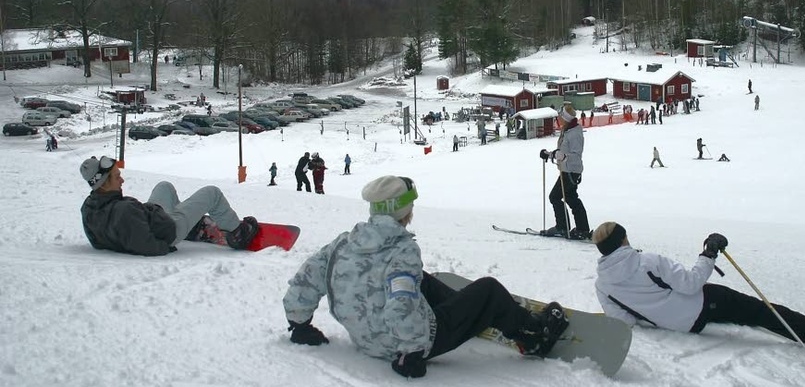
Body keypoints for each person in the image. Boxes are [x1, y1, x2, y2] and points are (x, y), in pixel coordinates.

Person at [282, 175, 569, 378]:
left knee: (421, 279)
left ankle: (471, 315)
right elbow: (401, 305)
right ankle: (533, 336)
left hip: (364, 337)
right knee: (489, 290)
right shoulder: (402, 251)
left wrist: (300, 324)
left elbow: (307, 278)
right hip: (405, 344)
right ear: (403, 210)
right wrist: (410, 354)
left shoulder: (343, 243)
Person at [590, 222, 805, 355]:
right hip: (703, 304)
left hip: (680, 326)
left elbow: (624, 320)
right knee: (763, 311)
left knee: (753, 313)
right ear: (623, 239)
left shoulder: (602, 285)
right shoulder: (646, 260)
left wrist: (655, 310)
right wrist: (708, 254)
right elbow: (692, 283)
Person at [79, 155, 258, 256]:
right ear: (103, 183)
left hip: (155, 217)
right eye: (117, 177)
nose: (122, 180)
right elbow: (144, 245)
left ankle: (192, 226)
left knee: (164, 186)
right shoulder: (123, 211)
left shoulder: (88, 208)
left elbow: (97, 242)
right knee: (212, 193)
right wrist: (166, 246)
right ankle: (237, 233)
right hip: (170, 228)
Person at [539, 104, 591, 239]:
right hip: (567, 170)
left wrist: (563, 156)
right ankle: (582, 228)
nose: (559, 120)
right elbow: (562, 152)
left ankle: (562, 227)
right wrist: (550, 154)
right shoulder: (568, 130)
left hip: (571, 171)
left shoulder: (574, 133)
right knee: (571, 197)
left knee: (555, 197)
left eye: (560, 117)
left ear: (566, 119)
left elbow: (576, 154)